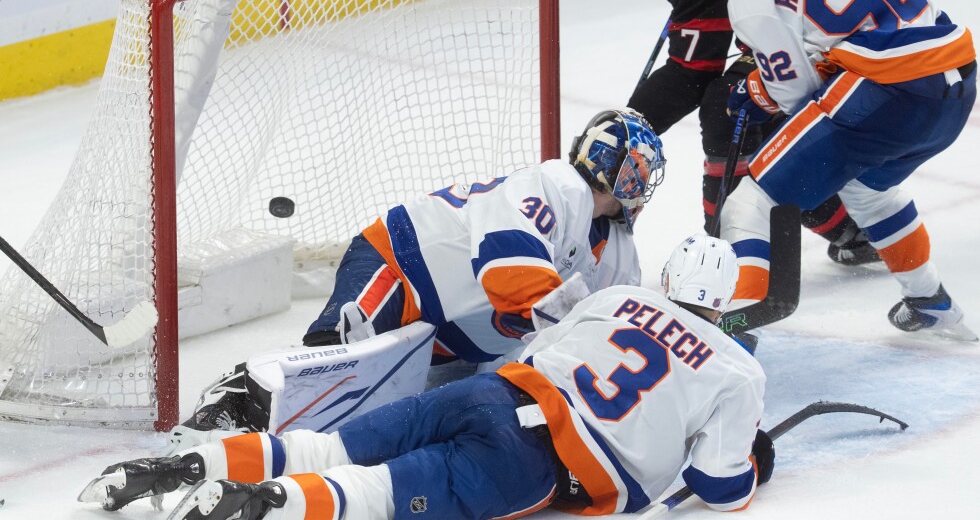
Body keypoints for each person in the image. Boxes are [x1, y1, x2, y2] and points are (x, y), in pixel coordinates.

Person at [79, 235, 774, 520]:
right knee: (379, 490)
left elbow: (542, 350)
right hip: (535, 457)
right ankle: (261, 501)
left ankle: (177, 464)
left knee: (330, 445)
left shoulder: (616, 296)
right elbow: (717, 488)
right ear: (724, 300)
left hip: (488, 392)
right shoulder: (737, 370)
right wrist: (752, 459)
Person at [183, 109, 668, 432]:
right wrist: (575, 327)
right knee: (336, 361)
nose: (641, 186)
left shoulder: (620, 252)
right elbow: (509, 274)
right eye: (636, 172)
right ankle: (239, 394)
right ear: (607, 165)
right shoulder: (558, 186)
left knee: (391, 417)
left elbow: (613, 331)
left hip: (458, 338)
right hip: (405, 268)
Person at [692, 0, 977, 339]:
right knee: (865, 189)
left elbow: (795, 92)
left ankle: (727, 336)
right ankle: (931, 300)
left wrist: (754, 92)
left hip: (889, 91)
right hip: (957, 78)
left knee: (748, 205)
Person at [629, 0, 880, 267]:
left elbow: (692, 72)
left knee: (728, 109)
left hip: (822, 48)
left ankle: (725, 258)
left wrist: (633, 124)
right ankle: (850, 228)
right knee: (759, 122)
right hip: (875, 25)